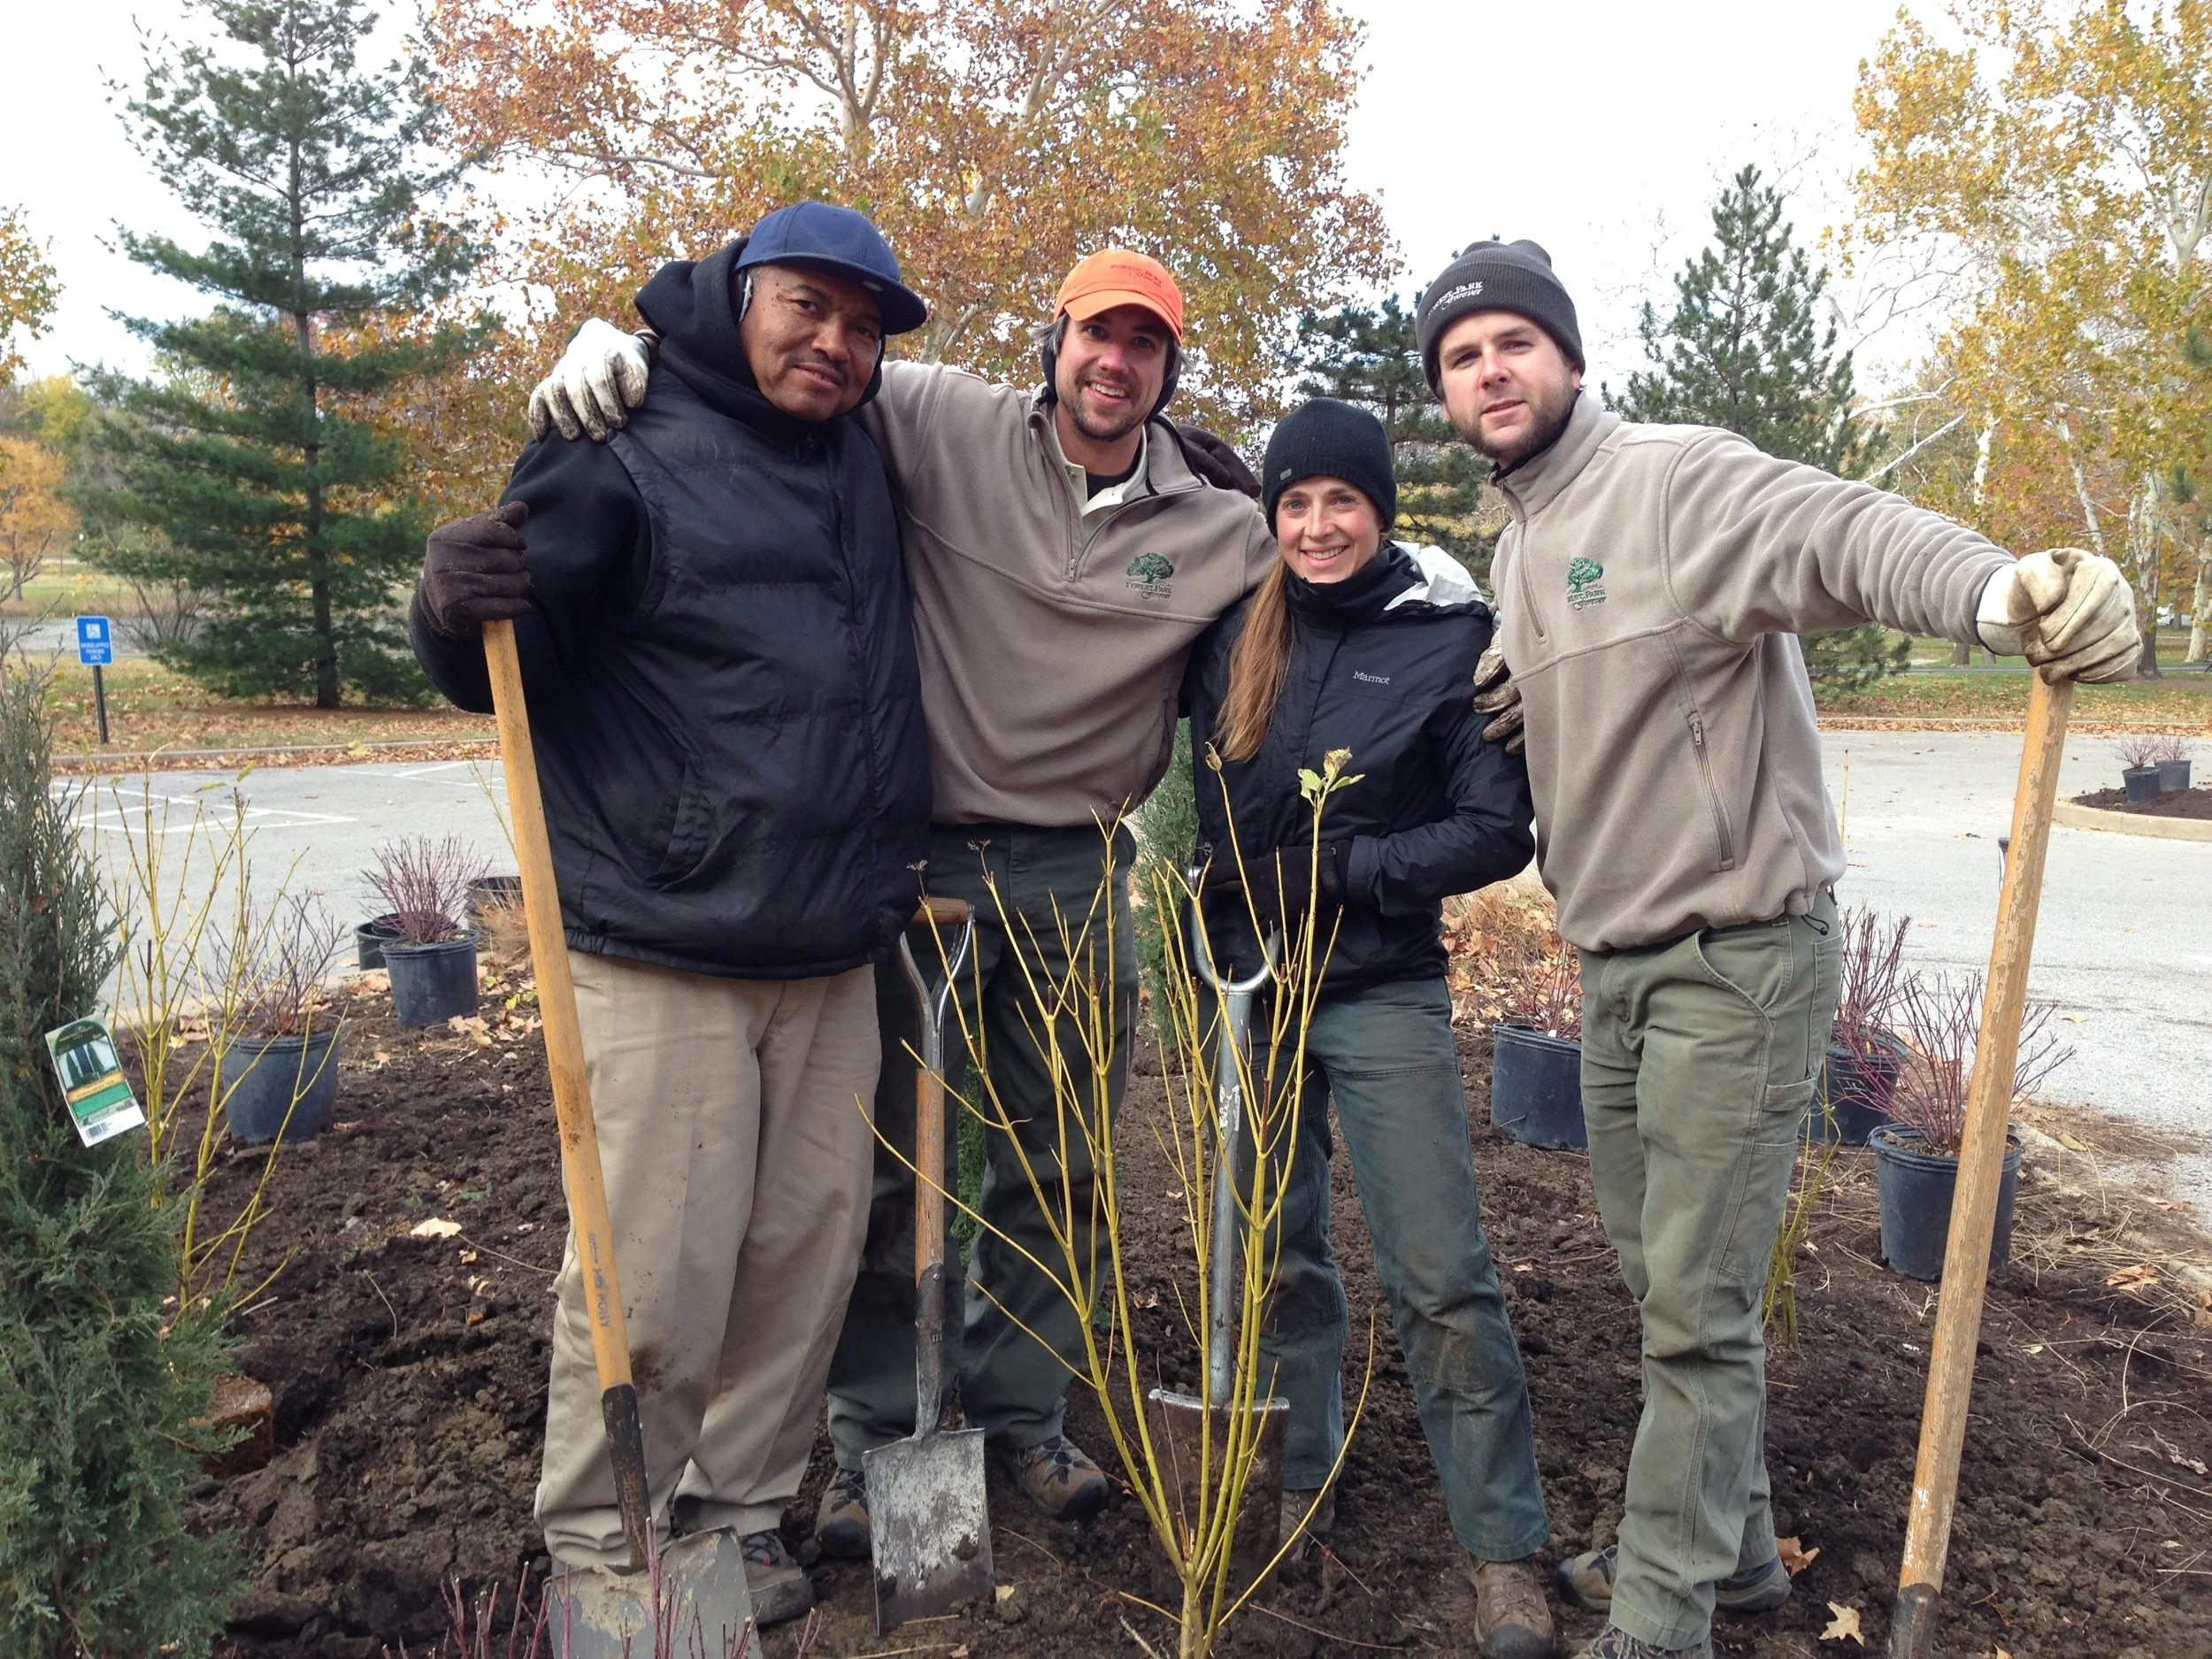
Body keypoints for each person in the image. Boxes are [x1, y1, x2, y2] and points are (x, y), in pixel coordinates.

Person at [1412, 240, 2139, 1659]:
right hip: (1614, 964)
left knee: (1694, 1310)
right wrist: (1520, 692)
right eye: (1459, 355)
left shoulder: (1676, 479)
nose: (1490, 370)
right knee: (1660, 1279)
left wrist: (2002, 592)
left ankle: (1661, 1616)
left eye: (1513, 342)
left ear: (1567, 356)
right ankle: (1734, 1549)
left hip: (1735, 958)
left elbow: (1841, 531)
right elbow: (1579, 665)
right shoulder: (1517, 540)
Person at [518, 249, 1278, 1540]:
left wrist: (1440, 603)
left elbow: (1327, 589)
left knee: (1063, 1163)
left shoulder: (1221, 525)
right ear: (1054, 340)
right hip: (913, 865)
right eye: (1097, 333)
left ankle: (1022, 1414)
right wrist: (625, 347)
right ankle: (878, 1433)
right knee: (876, 1169)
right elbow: (778, 357)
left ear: (1170, 370)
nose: (1116, 362)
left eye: (1146, 346)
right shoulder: (935, 416)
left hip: (1075, 871)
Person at [406, 201, 933, 1633]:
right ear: (737, 293)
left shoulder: (857, 455)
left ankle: (739, 1516)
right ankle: (607, 1550)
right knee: (656, 1273)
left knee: (799, 1264)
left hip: (830, 945)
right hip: (667, 936)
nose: (835, 341)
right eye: (808, 307)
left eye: (863, 325)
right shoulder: (618, 443)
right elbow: (504, 646)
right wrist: (445, 612)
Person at [1185, 397, 1558, 1659]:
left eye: (1341, 500)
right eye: (1294, 503)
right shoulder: (1237, 636)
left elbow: (1496, 827)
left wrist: (1345, 868)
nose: (1317, 523)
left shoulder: (1450, 636)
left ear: (1379, 509)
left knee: (1441, 1271)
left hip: (1381, 984)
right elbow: (1208, 809)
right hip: (1253, 993)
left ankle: (1502, 1548)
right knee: (1277, 1250)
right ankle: (1304, 1472)